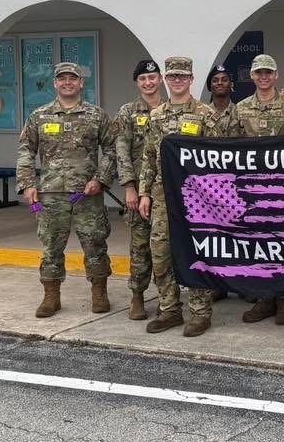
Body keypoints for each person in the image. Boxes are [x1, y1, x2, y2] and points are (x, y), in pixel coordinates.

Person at [16, 62, 116, 318]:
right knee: (51, 246)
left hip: (88, 193)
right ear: (55, 83)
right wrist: (27, 184)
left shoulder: (96, 115)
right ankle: (51, 297)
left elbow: (112, 150)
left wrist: (100, 179)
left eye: (73, 78)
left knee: (95, 244)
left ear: (81, 83)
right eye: (63, 79)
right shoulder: (39, 116)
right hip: (51, 194)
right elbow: (26, 150)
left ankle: (99, 293)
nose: (67, 82)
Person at [138, 56, 226, 337]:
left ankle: (200, 313)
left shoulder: (205, 114)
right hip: (162, 195)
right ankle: (169, 309)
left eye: (183, 76)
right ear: (166, 79)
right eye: (173, 76)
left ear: (191, 80)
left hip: (196, 197)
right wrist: (144, 193)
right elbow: (149, 158)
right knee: (161, 253)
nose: (177, 80)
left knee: (196, 251)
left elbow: (219, 157)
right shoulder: (156, 116)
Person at [233, 54, 284, 325]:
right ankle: (265, 298)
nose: (264, 77)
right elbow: (229, 148)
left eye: (268, 72)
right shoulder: (240, 109)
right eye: (259, 73)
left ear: (276, 75)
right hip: (253, 191)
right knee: (259, 243)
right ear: (252, 76)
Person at [113, 59, 164, 320]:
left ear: (160, 79)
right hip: (138, 190)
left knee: (166, 248)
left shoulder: (170, 110)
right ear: (137, 82)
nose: (148, 82)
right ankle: (138, 296)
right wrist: (129, 187)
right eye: (143, 78)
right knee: (140, 246)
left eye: (152, 77)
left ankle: (167, 297)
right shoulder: (128, 112)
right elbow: (121, 151)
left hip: (165, 190)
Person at [207, 63, 239, 137]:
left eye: (224, 80)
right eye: (215, 80)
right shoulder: (203, 113)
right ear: (210, 86)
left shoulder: (240, 113)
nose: (220, 83)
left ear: (231, 85)